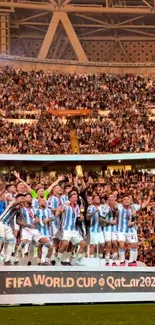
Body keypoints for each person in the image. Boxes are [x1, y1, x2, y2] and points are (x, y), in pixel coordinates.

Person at [15, 194, 51, 265]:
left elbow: (36, 217)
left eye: (31, 197)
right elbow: (17, 221)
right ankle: (16, 259)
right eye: (29, 197)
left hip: (34, 229)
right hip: (26, 229)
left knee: (47, 243)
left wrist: (37, 219)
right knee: (23, 243)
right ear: (24, 199)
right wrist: (26, 224)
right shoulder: (21, 209)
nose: (31, 198)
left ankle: (43, 261)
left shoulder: (34, 209)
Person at [56, 190, 87, 266]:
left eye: (76, 197)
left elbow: (78, 217)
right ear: (70, 199)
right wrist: (59, 211)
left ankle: (78, 261)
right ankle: (58, 261)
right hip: (66, 229)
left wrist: (81, 218)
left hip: (74, 230)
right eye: (74, 197)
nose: (76, 198)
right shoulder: (66, 205)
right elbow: (59, 210)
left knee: (84, 245)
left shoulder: (77, 207)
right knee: (65, 245)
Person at [0, 194, 28, 265]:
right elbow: (16, 203)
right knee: (1, 240)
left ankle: (7, 260)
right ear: (17, 199)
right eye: (21, 199)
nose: (23, 200)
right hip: (1, 223)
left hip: (7, 225)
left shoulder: (19, 209)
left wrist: (26, 224)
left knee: (12, 241)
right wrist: (25, 200)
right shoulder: (12, 203)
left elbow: (17, 221)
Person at [86, 194, 105, 259]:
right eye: (96, 198)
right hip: (93, 229)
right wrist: (94, 212)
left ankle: (100, 258)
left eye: (98, 198)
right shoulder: (90, 207)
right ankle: (91, 259)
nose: (98, 199)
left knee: (102, 244)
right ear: (93, 200)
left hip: (100, 229)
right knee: (93, 245)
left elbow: (104, 217)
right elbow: (87, 217)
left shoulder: (102, 207)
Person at [103, 194, 119, 266]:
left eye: (112, 199)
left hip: (115, 228)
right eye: (110, 199)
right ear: (108, 200)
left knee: (115, 244)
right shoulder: (104, 207)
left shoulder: (117, 207)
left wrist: (116, 209)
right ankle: (107, 261)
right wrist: (109, 222)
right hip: (107, 228)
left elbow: (119, 215)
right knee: (108, 244)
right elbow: (101, 218)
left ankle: (114, 261)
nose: (111, 200)